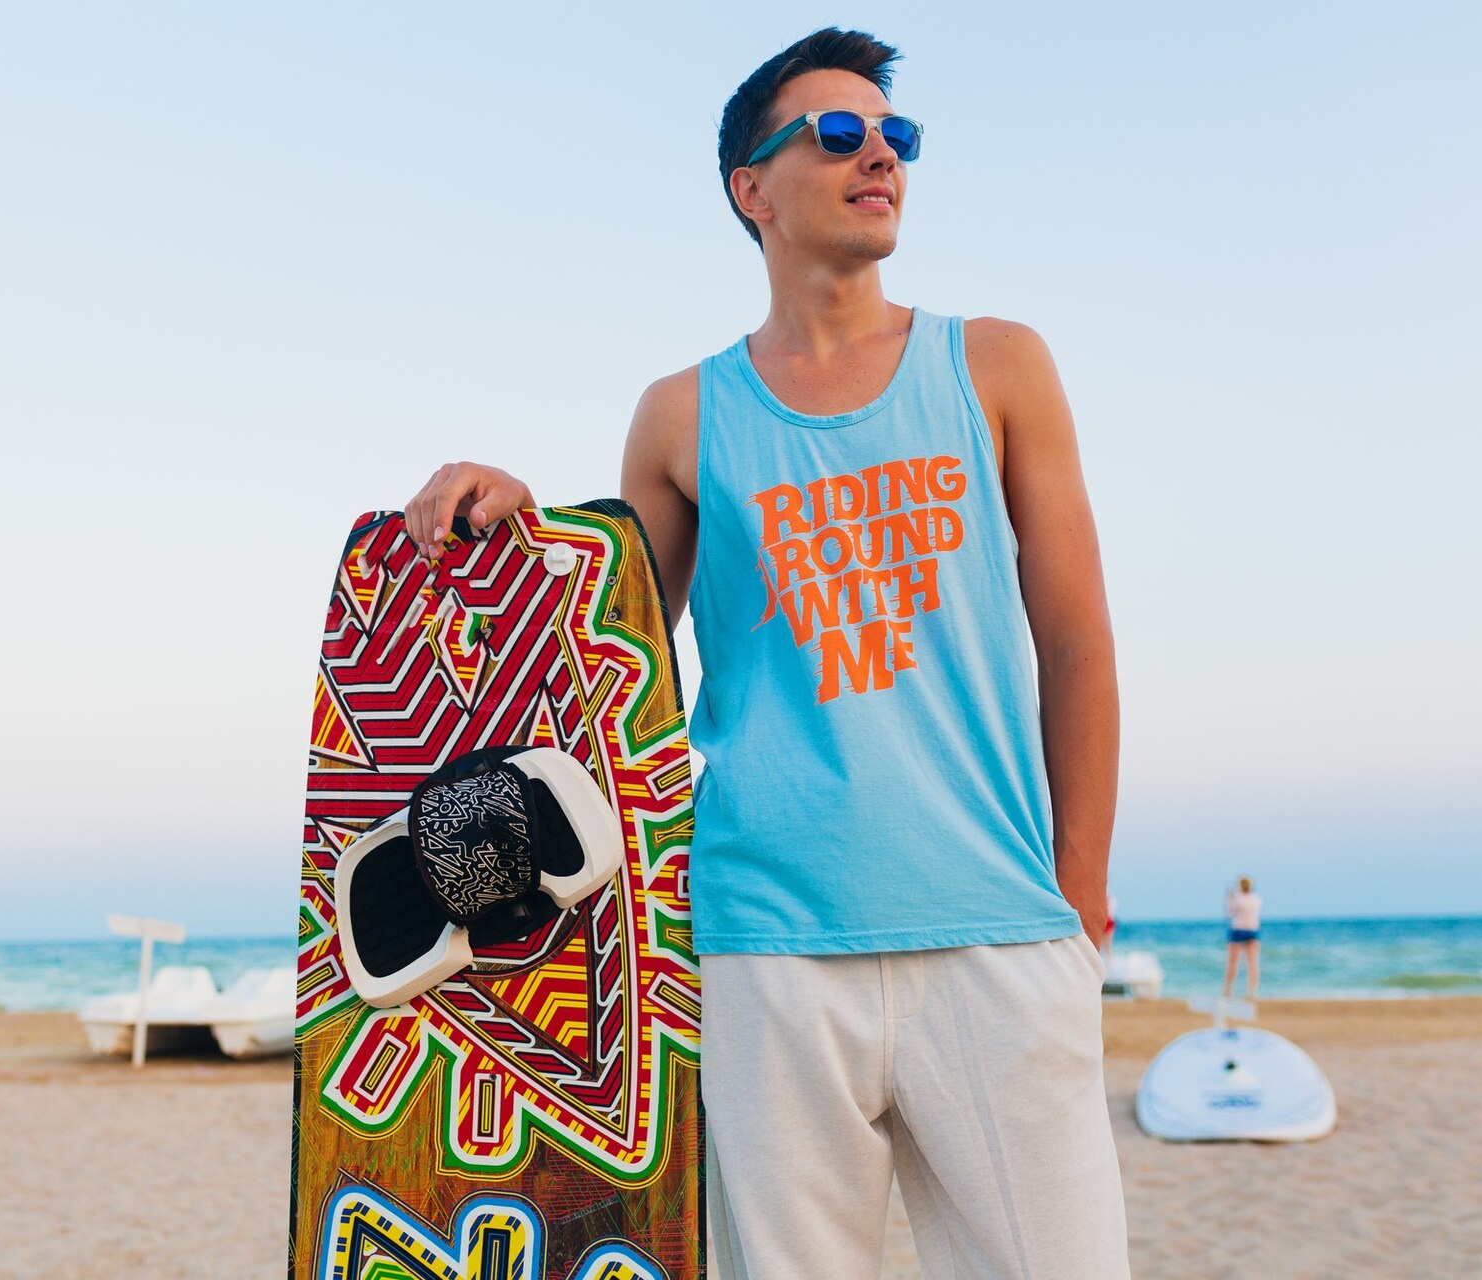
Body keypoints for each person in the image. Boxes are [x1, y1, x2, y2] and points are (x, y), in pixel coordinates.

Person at [403, 27, 1128, 1279]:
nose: (879, 157)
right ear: (754, 187)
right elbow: (607, 652)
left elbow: (1076, 642)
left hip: (998, 933)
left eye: (896, 137)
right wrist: (518, 520)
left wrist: (1080, 898)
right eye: (839, 135)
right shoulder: (682, 414)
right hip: (765, 947)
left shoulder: (997, 365)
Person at [1223, 876, 1262, 1001]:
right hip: (1253, 930)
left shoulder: (1237, 899)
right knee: (1253, 963)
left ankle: (1228, 991)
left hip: (1238, 929)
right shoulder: (1256, 899)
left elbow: (1229, 913)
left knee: (1233, 962)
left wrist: (1229, 898)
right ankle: (1252, 993)